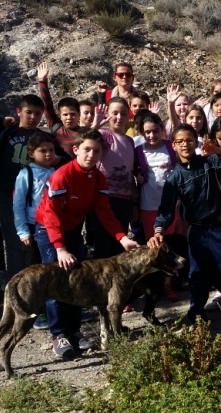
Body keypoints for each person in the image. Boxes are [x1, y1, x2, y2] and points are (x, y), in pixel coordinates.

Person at [37, 129, 140, 358]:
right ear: (75, 150)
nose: (91, 155)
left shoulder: (98, 177)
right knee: (56, 281)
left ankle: (74, 332)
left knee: (77, 281)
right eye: (87, 149)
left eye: (96, 151)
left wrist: (121, 237)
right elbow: (51, 216)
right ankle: (59, 334)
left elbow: (104, 211)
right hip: (49, 232)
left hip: (73, 230)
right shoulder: (61, 176)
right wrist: (60, 248)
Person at [150, 125, 221, 324]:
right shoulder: (175, 177)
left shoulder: (209, 162)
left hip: (220, 227)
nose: (185, 144)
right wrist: (158, 229)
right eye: (180, 141)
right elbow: (166, 208)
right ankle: (196, 314)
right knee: (197, 274)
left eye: (189, 140)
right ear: (174, 145)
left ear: (196, 142)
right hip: (196, 231)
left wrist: (218, 151)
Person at [0, 94, 55, 281]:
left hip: (36, 196)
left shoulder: (44, 138)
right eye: (28, 112)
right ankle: (15, 284)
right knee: (14, 240)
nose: (33, 117)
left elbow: (57, 161)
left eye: (38, 114)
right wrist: (1, 121)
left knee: (35, 241)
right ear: (19, 112)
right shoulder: (8, 133)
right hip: (8, 193)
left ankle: (35, 285)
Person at [93, 98, 137, 258]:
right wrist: (96, 125)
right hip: (105, 197)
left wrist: (134, 201)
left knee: (119, 244)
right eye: (115, 113)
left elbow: (131, 172)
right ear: (107, 114)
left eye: (123, 114)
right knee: (102, 243)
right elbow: (85, 141)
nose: (119, 117)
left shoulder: (130, 141)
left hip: (124, 199)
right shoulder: (102, 135)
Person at [13, 131, 57, 273]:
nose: (48, 154)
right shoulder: (26, 174)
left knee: (50, 264)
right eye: (42, 151)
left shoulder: (56, 172)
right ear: (31, 154)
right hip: (32, 226)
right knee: (33, 267)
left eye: (51, 150)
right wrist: (23, 231)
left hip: (52, 225)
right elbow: (18, 204)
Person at [133, 113, 179, 239]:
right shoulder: (138, 150)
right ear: (142, 132)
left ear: (162, 129)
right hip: (148, 202)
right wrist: (137, 175)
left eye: (155, 131)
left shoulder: (171, 146)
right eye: (147, 132)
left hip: (171, 202)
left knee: (170, 238)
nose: (152, 135)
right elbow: (132, 169)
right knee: (152, 238)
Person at [37, 62, 80, 157]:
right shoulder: (56, 127)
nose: (69, 118)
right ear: (60, 116)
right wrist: (42, 81)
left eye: (73, 114)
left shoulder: (84, 134)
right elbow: (47, 105)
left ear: (79, 115)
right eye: (65, 114)